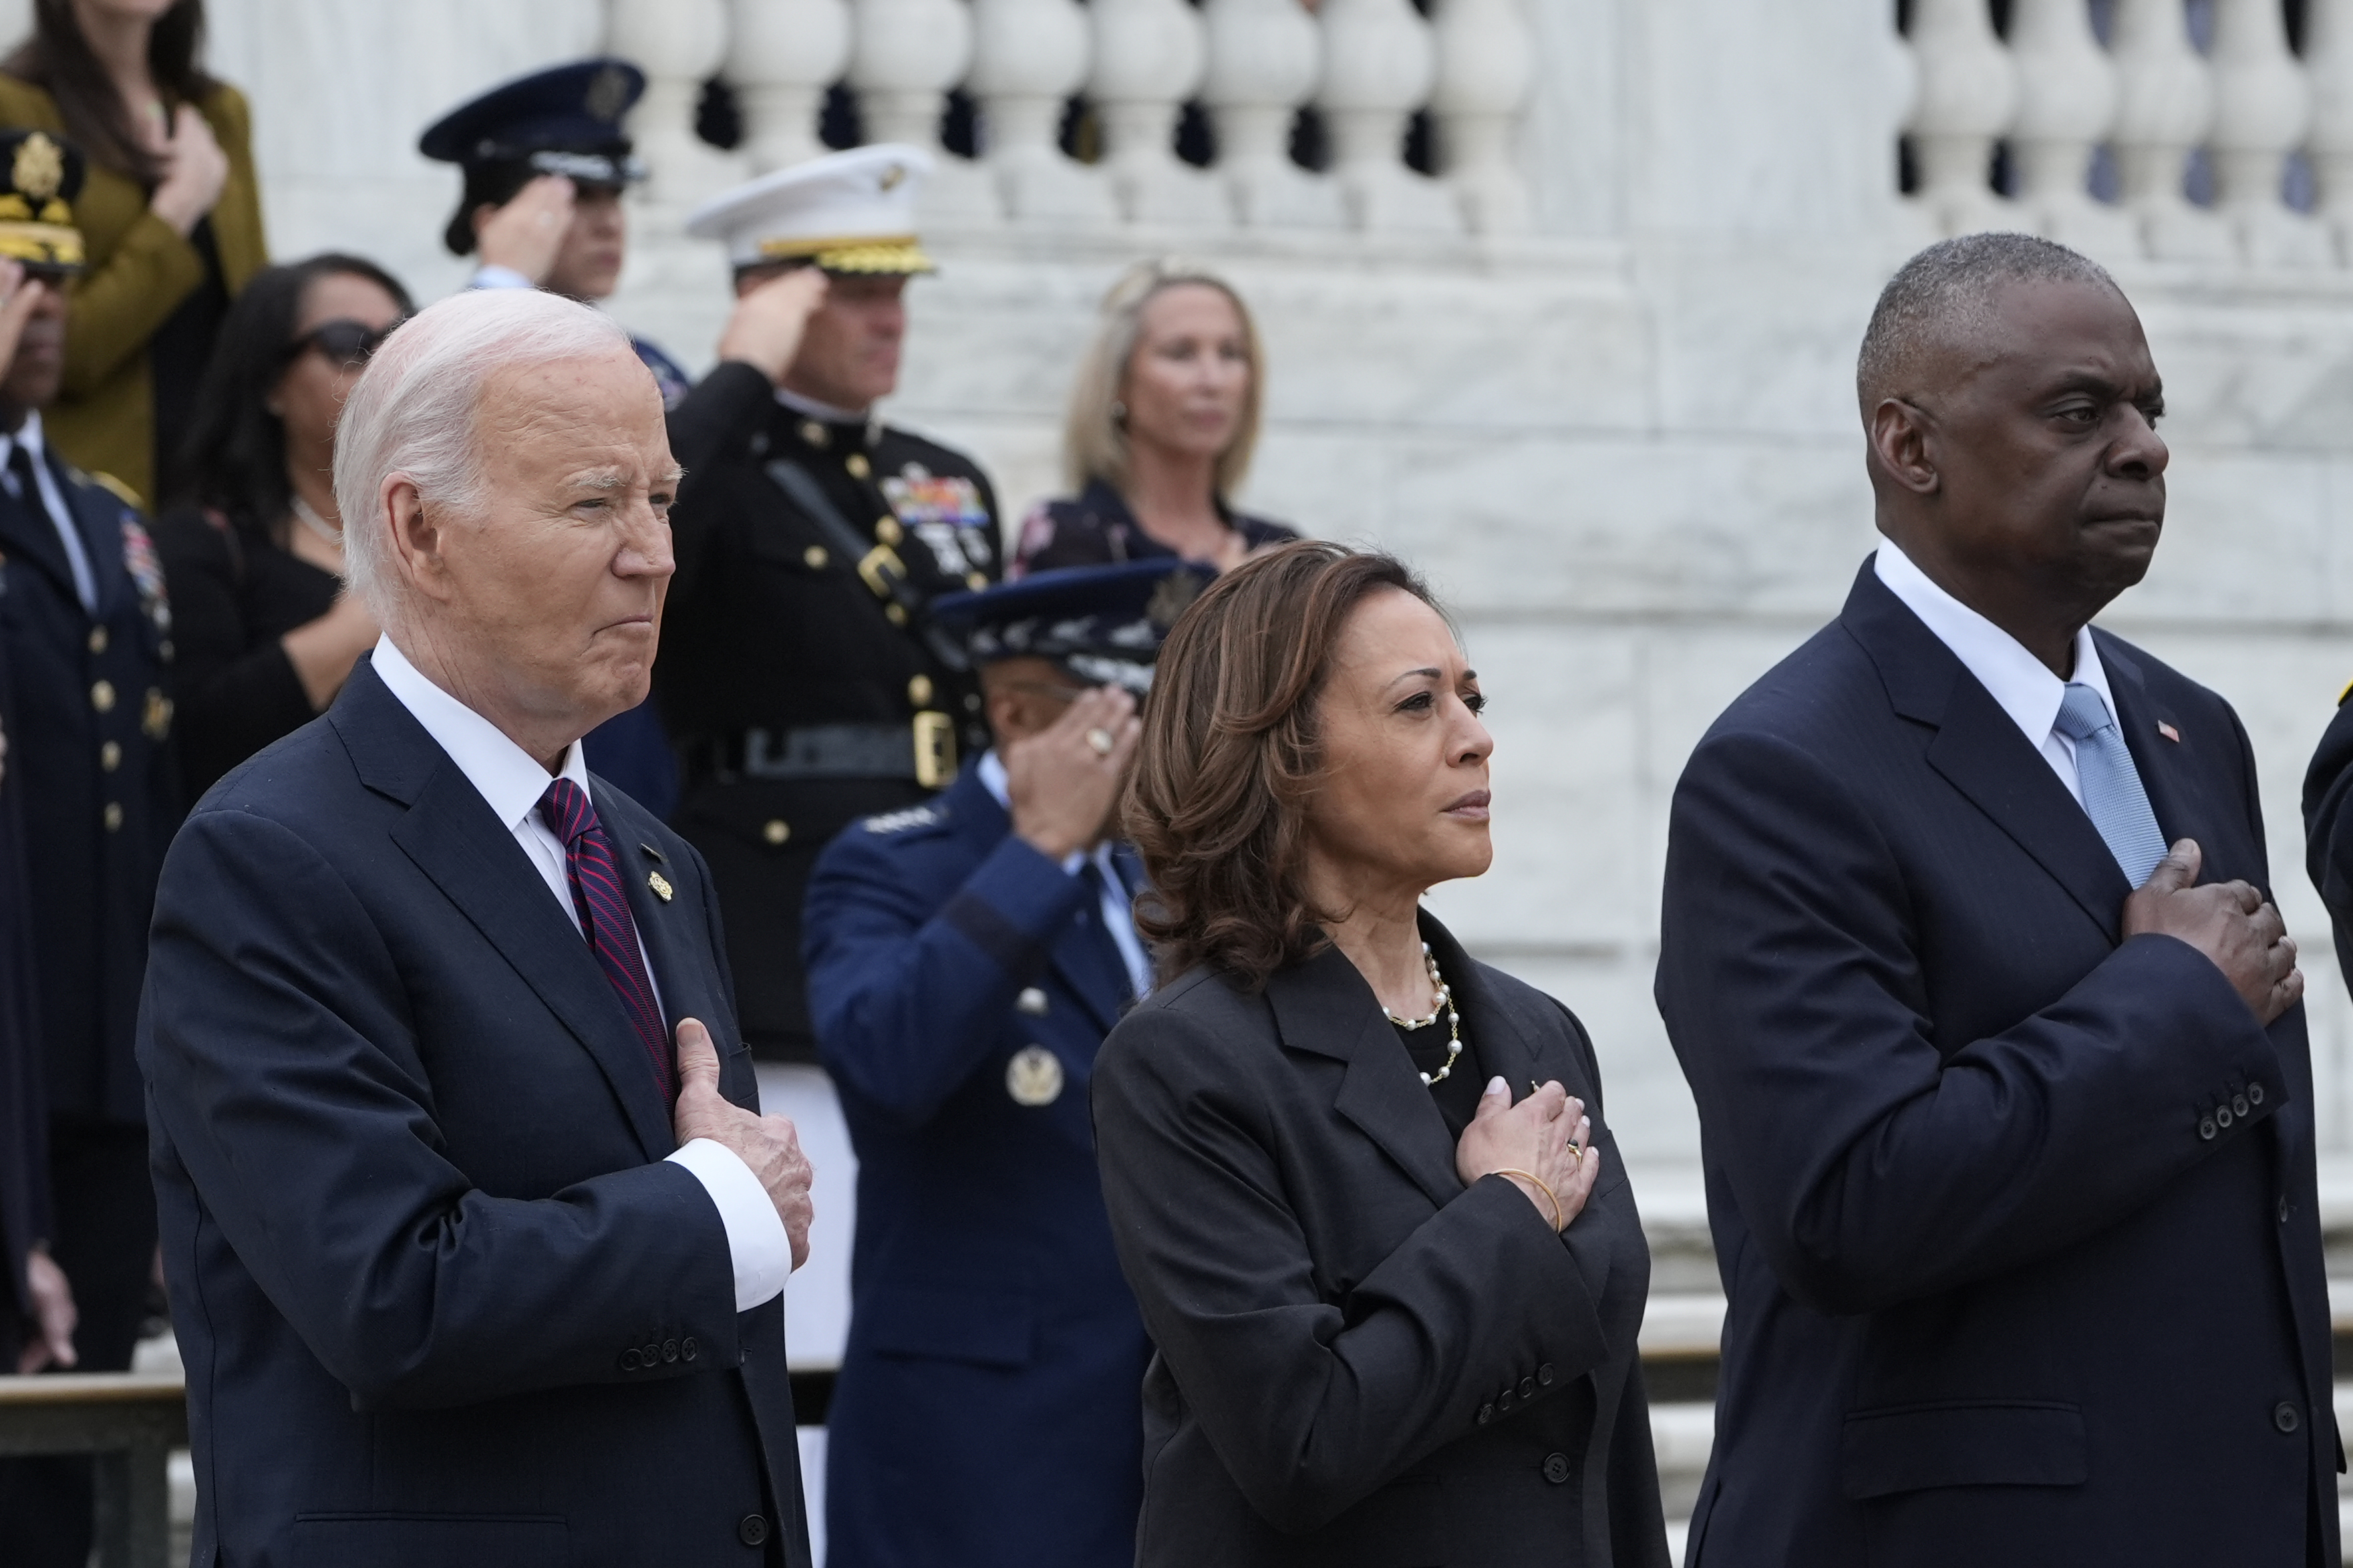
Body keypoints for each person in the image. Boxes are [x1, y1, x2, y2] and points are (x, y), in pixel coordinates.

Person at [1656, 234, 2330, 1567]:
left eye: (2150, 411)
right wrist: (2171, 1001)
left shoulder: (2193, 728)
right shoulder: (1782, 771)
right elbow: (1849, 1202)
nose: (2144, 449)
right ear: (1910, 448)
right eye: (2080, 413)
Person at [138, 286, 818, 1567]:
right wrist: (718, 1208)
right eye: (592, 501)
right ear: (419, 529)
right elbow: (395, 1294)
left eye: (662, 499)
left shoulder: (652, 854)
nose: (655, 553)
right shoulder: (270, 856)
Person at [1093, 541, 1667, 1568]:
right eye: (1417, 704)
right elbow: (1301, 1439)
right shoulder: (1184, 1062)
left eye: (1472, 697)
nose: (1475, 739)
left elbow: (1602, 1435)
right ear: (1279, 753)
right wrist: (1508, 1211)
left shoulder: (1541, 1033)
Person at [803, 559, 1208, 1568]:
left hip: (1169, 1429)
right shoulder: (892, 862)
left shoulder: (1161, 881)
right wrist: (1038, 851)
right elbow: (888, 1059)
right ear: (1024, 714)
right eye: (1142, 717)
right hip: (978, 1447)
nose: (1179, 751)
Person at [660, 143, 1003, 1062]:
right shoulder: (706, 469)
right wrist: (739, 373)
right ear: (772, 304)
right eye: (855, 293)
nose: (890, 318)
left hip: (947, 887)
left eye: (897, 291)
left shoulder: (942, 477)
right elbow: (635, 548)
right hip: (784, 915)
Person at [0, 130, 180, 1568]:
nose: (41, 301)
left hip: (99, 1040)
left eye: (56, 271)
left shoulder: (104, 519)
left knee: (91, 1410)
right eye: (10, 270)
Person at [420, 55, 691, 815]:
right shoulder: (431, 350)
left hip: (623, 749)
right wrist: (502, 281)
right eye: (574, 196)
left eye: (616, 195)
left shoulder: (653, 370)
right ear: (493, 216)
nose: (608, 219)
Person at [153, 253, 408, 800]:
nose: (384, 365)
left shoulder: (447, 527)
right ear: (270, 382)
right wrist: (356, 629)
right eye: (350, 344)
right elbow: (195, 738)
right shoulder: (203, 543)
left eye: (400, 341)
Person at [0, 0, 265, 508]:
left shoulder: (220, 112)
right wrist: (178, 210)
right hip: (95, 493)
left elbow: (256, 311)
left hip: (226, 494)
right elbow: (50, 344)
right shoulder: (17, 108)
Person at [1013, 259, 1295, 578]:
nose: (1213, 381)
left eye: (1231, 353)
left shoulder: (1280, 550)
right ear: (1118, 382)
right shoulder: (1067, 536)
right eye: (1180, 353)